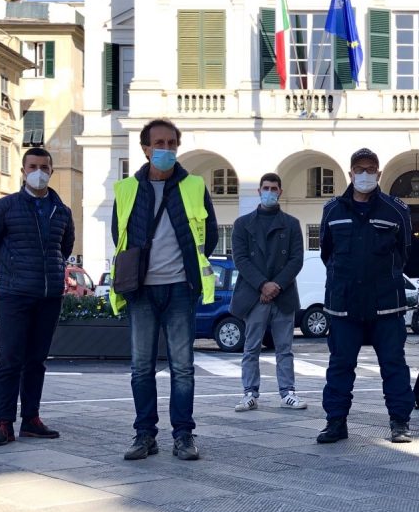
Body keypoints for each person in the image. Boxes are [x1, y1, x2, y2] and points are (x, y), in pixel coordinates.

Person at [110, 118, 218, 462]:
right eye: (159, 143)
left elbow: (210, 234)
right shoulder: (127, 189)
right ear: (145, 149)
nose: (167, 149)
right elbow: (119, 235)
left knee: (182, 367)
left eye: (172, 143)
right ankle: (144, 434)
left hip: (180, 289)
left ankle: (184, 435)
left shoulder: (194, 185)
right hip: (141, 290)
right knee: (141, 367)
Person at [316, 148, 414, 445]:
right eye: (360, 169)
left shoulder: (396, 210)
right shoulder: (332, 210)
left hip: (386, 303)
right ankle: (335, 422)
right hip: (344, 303)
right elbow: (326, 252)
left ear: (379, 174)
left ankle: (400, 422)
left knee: (394, 365)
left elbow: (404, 252)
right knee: (340, 365)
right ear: (350, 173)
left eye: (371, 169)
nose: (365, 174)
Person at [0, 148, 75, 446]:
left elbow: (65, 247)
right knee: (9, 359)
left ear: (51, 172)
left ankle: (31, 419)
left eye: (44, 167)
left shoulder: (62, 211)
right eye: (33, 166)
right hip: (14, 296)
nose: (39, 172)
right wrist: (8, 273)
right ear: (22, 171)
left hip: (48, 297)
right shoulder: (3, 207)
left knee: (36, 360)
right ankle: (4, 423)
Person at [230, 172, 307, 412]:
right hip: (255, 295)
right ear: (259, 190)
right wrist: (263, 285)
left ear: (280, 192)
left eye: (274, 188)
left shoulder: (292, 224)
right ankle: (249, 393)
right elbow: (240, 259)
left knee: (285, 349)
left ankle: (288, 393)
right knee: (251, 348)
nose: (270, 192)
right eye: (266, 188)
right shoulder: (242, 224)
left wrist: (276, 286)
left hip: (282, 294)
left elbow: (296, 260)